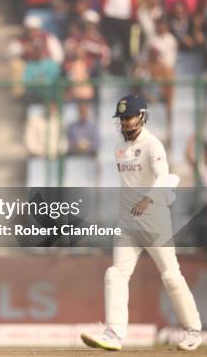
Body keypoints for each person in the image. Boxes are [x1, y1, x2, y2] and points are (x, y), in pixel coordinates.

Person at [80, 95, 202, 352]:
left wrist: (149, 199)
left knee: (170, 275)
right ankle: (113, 333)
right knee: (115, 273)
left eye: (130, 117)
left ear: (142, 116)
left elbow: (164, 176)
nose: (125, 122)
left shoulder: (152, 145)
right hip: (127, 224)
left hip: (154, 222)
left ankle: (193, 331)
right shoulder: (119, 149)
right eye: (122, 118)